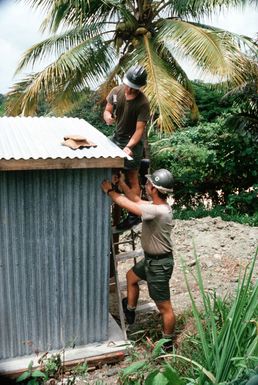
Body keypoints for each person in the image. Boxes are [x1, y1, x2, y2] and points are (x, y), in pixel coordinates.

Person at [101, 168, 176, 349]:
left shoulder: (158, 211)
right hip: (152, 259)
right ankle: (130, 311)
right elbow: (135, 199)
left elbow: (131, 206)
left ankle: (167, 343)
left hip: (159, 264)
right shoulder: (157, 207)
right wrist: (121, 184)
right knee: (131, 277)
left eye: (149, 184)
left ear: (155, 190)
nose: (146, 185)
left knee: (164, 307)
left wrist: (110, 191)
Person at [103, 64, 150, 230]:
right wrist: (108, 116)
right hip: (116, 137)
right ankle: (113, 200)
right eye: (128, 86)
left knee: (132, 176)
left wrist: (129, 147)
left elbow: (139, 130)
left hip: (132, 142)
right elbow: (107, 110)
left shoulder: (143, 103)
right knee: (104, 160)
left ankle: (134, 215)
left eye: (134, 89)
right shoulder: (116, 92)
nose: (129, 91)